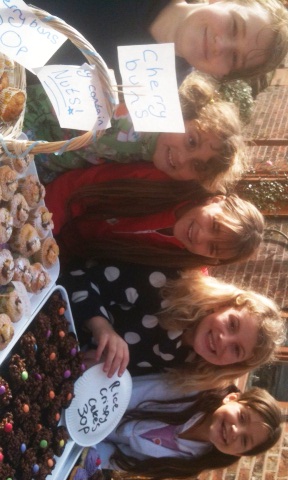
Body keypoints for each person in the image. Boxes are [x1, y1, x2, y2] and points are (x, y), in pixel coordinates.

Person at [58, 262, 286, 389]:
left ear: (235, 365)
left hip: (60, 369)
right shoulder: (167, 285)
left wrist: (102, 367)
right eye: (232, 324)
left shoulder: (188, 367)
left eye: (237, 349)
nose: (224, 339)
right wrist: (102, 328)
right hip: (49, 318)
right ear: (224, 305)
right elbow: (76, 275)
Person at [24, 72, 246, 192]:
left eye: (196, 166)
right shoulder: (130, 116)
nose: (182, 158)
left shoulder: (148, 155)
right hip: (22, 131)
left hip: (38, 165)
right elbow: (46, 100)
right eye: (191, 141)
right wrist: (21, 144)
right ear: (185, 114)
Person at [45, 161, 264, 269]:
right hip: (46, 209)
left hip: (55, 260)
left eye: (212, 248)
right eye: (215, 225)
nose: (201, 237)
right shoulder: (164, 181)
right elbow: (84, 183)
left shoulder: (177, 265)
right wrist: (44, 228)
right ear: (215, 200)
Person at [30, 0, 288, 83]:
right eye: (234, 26)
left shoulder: (154, 92)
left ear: (222, 75)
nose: (221, 45)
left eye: (234, 58)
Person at [76, 376, 283, 479]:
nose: (235, 430)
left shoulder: (188, 464)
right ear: (232, 398)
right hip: (86, 394)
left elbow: (123, 459)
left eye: (245, 440)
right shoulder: (192, 390)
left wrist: (80, 454)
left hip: (79, 443)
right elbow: (132, 390)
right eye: (242, 417)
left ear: (240, 453)